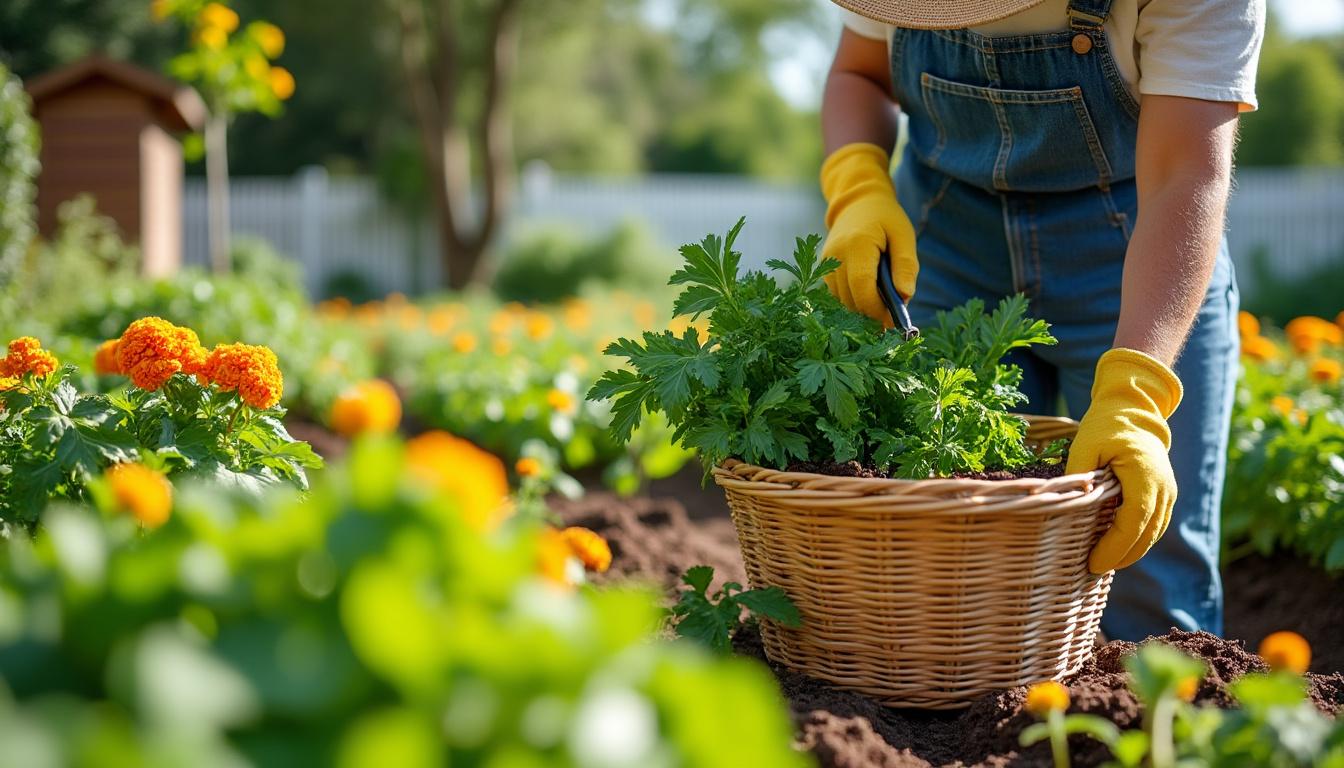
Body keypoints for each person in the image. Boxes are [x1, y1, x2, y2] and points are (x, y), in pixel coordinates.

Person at [819, 0, 1264, 641]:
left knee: (1146, 549)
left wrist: (1137, 390)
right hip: (946, 247)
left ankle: (1149, 727)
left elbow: (1184, 175)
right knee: (954, 546)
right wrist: (857, 182)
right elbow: (858, 72)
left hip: (1136, 248)